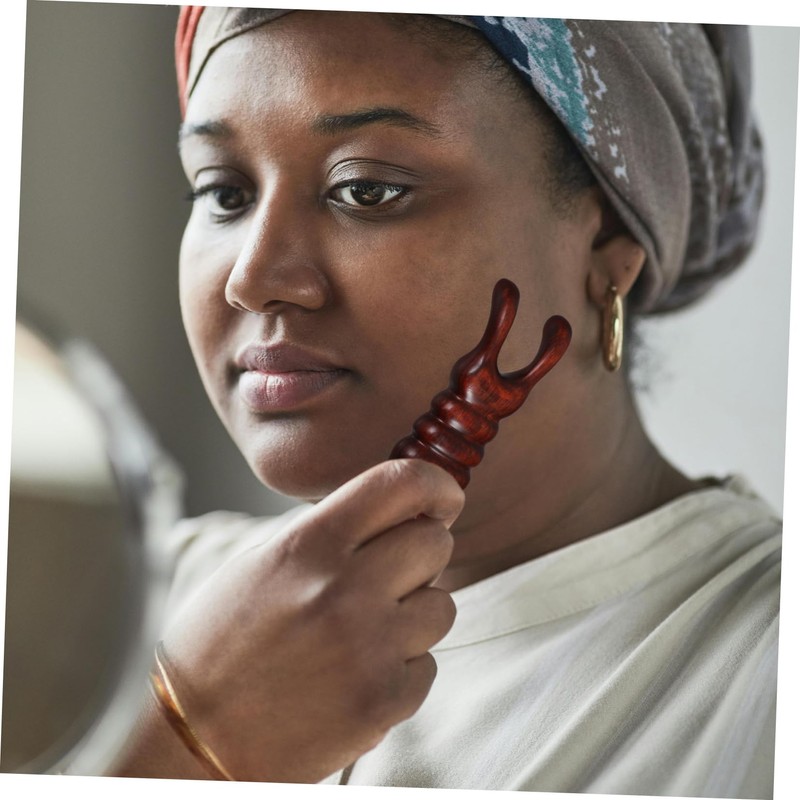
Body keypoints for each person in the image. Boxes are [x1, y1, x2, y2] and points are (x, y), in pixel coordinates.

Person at [110, 9, 780, 798]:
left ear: (607, 254)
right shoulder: (114, 607)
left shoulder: (763, 670)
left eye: (366, 190)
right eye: (225, 193)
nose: (252, 279)